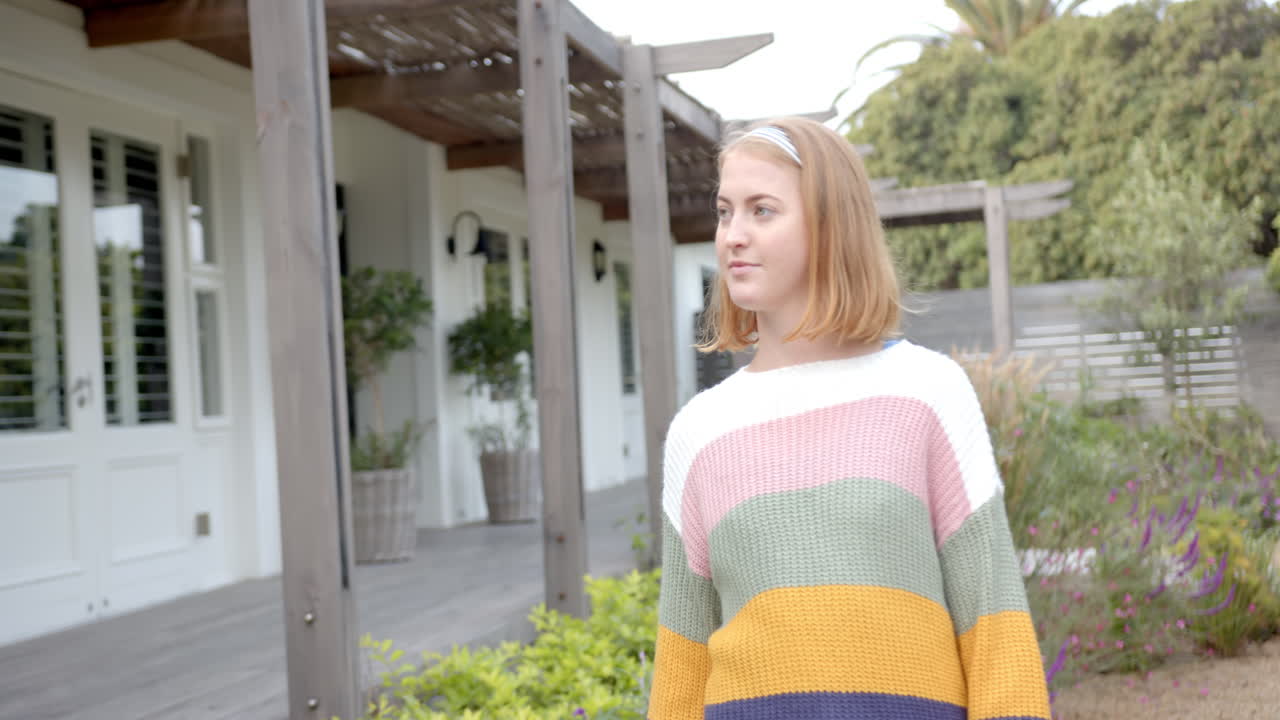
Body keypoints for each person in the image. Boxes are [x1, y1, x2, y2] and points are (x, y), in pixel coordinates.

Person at [647, 117, 1051, 720]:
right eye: (725, 211)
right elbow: (682, 666)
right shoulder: (700, 432)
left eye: (762, 210)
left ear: (832, 228)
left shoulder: (928, 394)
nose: (733, 234)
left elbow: (995, 627)